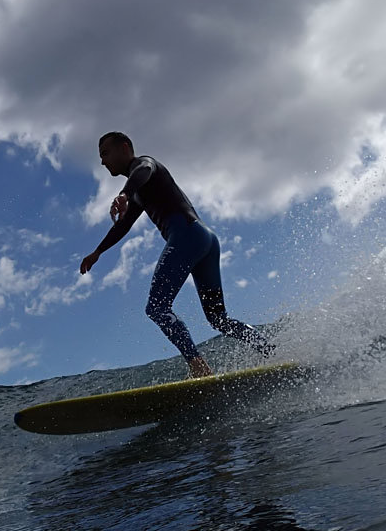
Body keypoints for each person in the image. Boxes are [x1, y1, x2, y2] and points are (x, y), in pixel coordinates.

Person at [80, 132, 274, 378]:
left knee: (157, 307)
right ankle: (271, 350)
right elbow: (123, 225)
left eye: (105, 153)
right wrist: (98, 251)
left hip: (187, 237)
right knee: (218, 319)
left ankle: (198, 367)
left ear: (125, 148)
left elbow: (144, 170)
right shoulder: (139, 191)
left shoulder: (145, 165)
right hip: (205, 240)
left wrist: (124, 194)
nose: (102, 161)